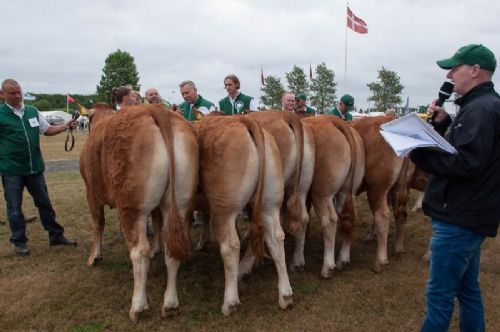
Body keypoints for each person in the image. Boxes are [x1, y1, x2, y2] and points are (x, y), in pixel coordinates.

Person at [409, 44, 499, 331]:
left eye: (454, 68)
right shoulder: (481, 106)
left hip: (459, 217)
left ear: (474, 71)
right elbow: (469, 153)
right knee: (467, 289)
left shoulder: (481, 110)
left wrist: (420, 152)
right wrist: (443, 123)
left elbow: (467, 164)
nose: (449, 74)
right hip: (471, 214)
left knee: (439, 297)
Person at [0, 79, 78, 256]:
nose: (18, 95)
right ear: (3, 94)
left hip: (34, 168)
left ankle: (56, 235)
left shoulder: (32, 111)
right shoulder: (1, 114)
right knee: (14, 208)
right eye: (13, 93)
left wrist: (65, 126)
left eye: (19, 91)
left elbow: (47, 129)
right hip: (11, 170)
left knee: (44, 204)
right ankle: (19, 241)